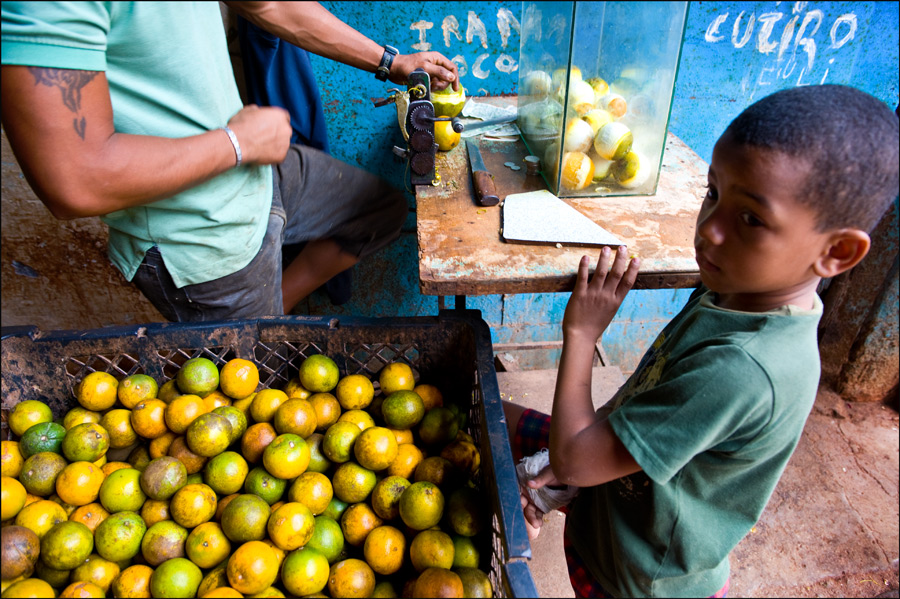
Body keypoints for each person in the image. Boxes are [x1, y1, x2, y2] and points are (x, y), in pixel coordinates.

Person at [505, 84, 899, 598]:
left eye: (751, 219)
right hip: (611, 507)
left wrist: (581, 334)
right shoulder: (738, 286)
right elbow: (630, 416)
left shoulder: (743, 368)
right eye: (713, 193)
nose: (710, 229)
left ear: (837, 251)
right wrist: (570, 468)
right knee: (492, 419)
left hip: (635, 576)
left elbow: (579, 458)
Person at [0, 1, 458, 321]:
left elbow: (270, 5)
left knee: (379, 210)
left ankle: (267, 317)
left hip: (255, 173)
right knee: (254, 410)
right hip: (196, 233)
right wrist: (237, 143)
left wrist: (392, 61)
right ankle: (260, 334)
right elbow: (75, 179)